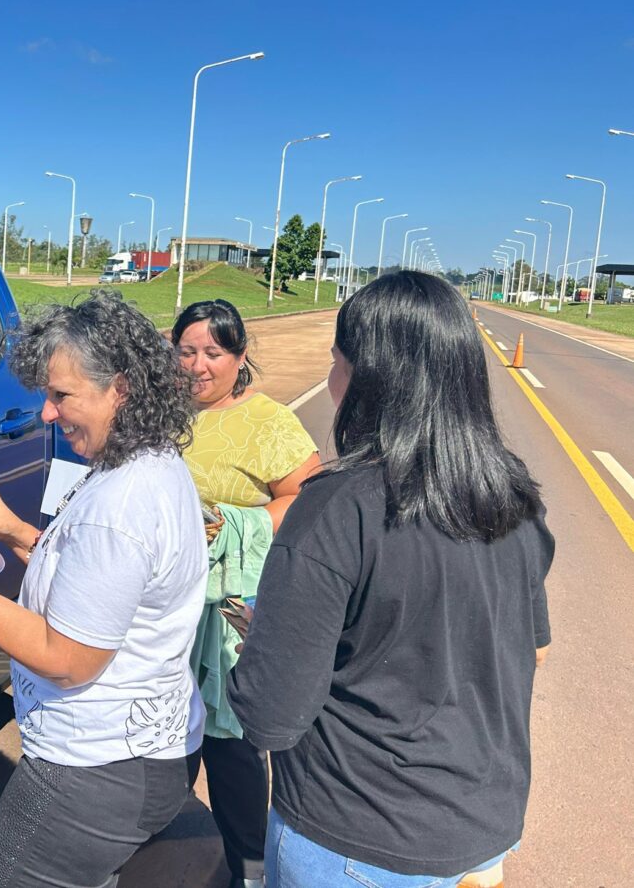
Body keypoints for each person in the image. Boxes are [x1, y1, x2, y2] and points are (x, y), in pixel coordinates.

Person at [228, 271, 553, 887]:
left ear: (369, 377)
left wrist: (263, 645)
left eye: (336, 362)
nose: (330, 381)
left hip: (357, 838)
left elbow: (272, 717)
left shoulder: (336, 507)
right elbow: (531, 649)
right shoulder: (513, 496)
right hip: (483, 826)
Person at [0, 290, 208, 888]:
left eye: (62, 396)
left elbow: (67, 658)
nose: (47, 414)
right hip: (146, 747)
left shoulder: (120, 505)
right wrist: (20, 534)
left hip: (95, 768)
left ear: (121, 390)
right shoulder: (148, 462)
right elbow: (99, 588)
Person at [170, 299, 320, 888]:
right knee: (159, 726)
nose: (198, 366)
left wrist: (232, 523)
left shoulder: (269, 421)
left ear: (239, 358)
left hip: (228, 606)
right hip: (164, 600)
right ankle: (152, 846)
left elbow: (305, 499)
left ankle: (250, 869)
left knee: (227, 743)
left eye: (214, 353)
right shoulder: (160, 414)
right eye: (186, 351)